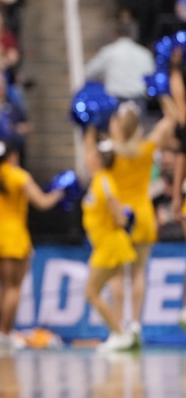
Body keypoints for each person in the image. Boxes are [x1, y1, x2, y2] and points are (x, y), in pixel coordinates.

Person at [0, 140, 64, 349]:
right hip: (16, 236)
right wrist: (59, 194)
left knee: (2, 287)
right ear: (10, 156)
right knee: (14, 287)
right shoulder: (18, 176)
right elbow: (41, 202)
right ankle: (4, 333)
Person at [105, 101, 178, 344]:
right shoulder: (146, 149)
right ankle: (135, 325)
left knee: (117, 275)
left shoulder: (110, 153)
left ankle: (119, 330)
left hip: (118, 217)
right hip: (143, 216)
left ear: (117, 123)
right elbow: (171, 120)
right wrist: (164, 94)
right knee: (138, 273)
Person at [81, 129, 140, 352]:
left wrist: (125, 216)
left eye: (90, 155)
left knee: (91, 291)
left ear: (98, 159)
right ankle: (120, 334)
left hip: (110, 245)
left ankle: (119, 333)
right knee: (111, 287)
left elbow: (119, 215)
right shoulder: (98, 180)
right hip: (105, 244)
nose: (87, 158)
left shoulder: (105, 181)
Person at [83, 19, 155, 104]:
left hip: (115, 101)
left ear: (115, 34)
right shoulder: (145, 53)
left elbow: (89, 72)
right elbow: (151, 76)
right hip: (139, 100)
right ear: (133, 34)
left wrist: (100, 79)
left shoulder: (109, 51)